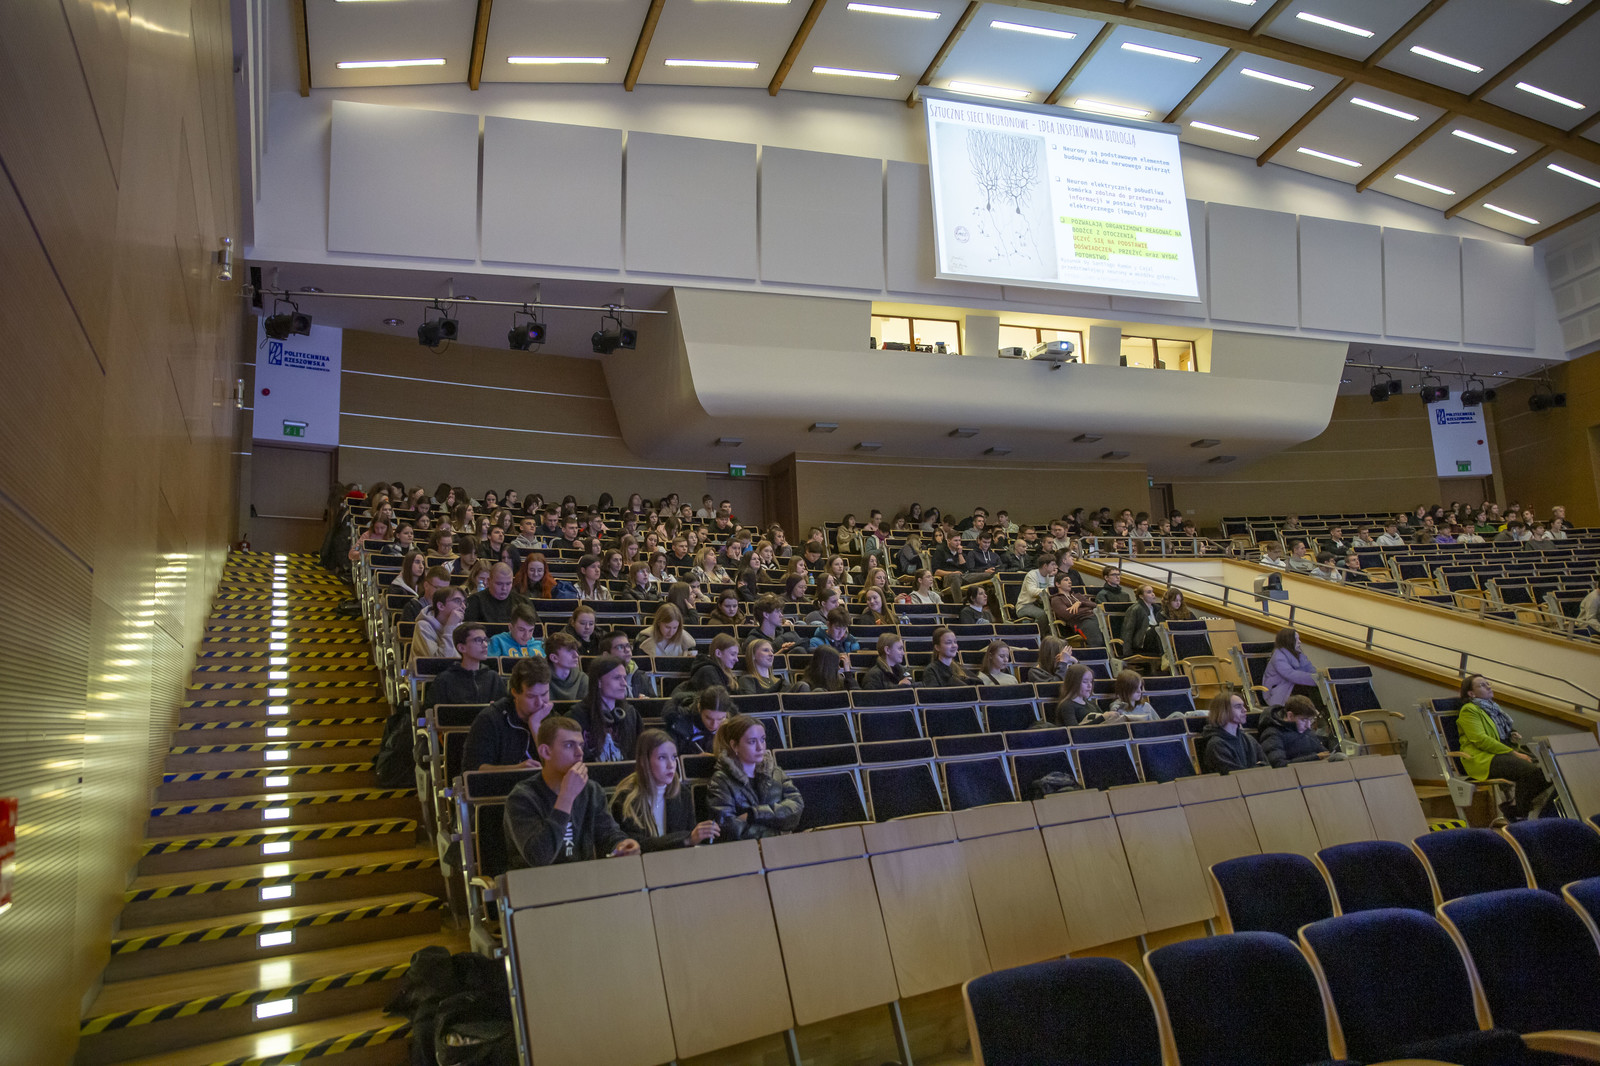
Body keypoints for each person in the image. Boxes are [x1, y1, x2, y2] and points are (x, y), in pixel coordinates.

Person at [503, 716, 640, 868]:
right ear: (546, 752)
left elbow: (608, 834)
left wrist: (622, 844)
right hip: (534, 880)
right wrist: (566, 797)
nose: (579, 753)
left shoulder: (592, 790)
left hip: (582, 877)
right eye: (569, 745)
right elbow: (538, 857)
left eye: (581, 745)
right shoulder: (522, 797)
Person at [1458, 674, 1554, 822]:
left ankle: (1517, 807)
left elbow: (1499, 730)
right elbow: (1481, 740)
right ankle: (1519, 811)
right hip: (1484, 757)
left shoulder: (1493, 707)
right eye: (1482, 685)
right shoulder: (1468, 710)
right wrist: (1513, 753)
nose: (1488, 686)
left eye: (1488, 683)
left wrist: (1511, 734)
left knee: (1550, 767)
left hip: (1502, 750)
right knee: (1530, 771)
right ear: (1471, 693)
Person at [610, 730, 721, 851]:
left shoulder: (682, 794)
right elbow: (637, 845)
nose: (671, 765)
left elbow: (690, 841)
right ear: (643, 761)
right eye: (662, 757)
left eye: (673, 757)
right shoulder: (626, 798)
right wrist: (685, 839)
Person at [706, 716, 804, 840]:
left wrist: (754, 814)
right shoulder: (721, 780)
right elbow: (728, 828)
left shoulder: (776, 772)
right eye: (752, 741)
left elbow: (796, 808)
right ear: (734, 745)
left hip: (781, 845)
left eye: (762, 739)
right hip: (746, 850)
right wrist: (776, 829)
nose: (760, 747)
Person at [463, 657, 553, 771]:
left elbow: (559, 768)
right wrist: (515, 769)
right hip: (502, 783)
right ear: (514, 692)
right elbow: (472, 769)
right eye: (531, 696)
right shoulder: (489, 719)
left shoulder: (551, 717)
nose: (539, 703)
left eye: (544, 694)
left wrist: (535, 725)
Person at [425, 622, 509, 709]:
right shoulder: (444, 680)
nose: (485, 645)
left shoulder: (494, 678)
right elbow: (429, 712)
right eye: (478, 640)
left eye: (485, 640)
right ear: (461, 648)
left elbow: (506, 710)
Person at [574, 655, 640, 762]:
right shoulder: (578, 716)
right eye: (617, 678)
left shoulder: (630, 714)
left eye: (624, 678)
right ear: (599, 682)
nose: (624, 683)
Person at [1262, 628, 1328, 716]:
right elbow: (1290, 675)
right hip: (1277, 691)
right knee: (1310, 687)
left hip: (1291, 688)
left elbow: (1309, 668)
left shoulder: (1298, 653)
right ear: (1289, 641)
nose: (1300, 642)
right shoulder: (1278, 656)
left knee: (1318, 686)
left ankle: (1321, 711)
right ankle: (1319, 713)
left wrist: (1319, 678)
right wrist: (1315, 679)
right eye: (1297, 639)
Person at [1258, 694, 1334, 769]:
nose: (1308, 725)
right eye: (1303, 720)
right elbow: (1278, 765)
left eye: (1310, 720)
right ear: (1290, 716)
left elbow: (1323, 753)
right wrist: (1316, 757)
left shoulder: (1306, 731)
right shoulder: (1272, 734)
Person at [1199, 691, 1266, 775]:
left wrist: (1255, 768)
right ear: (1223, 711)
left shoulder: (1249, 739)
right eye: (1238, 707)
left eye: (1243, 706)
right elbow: (1236, 775)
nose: (1244, 710)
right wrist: (1257, 766)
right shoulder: (1216, 745)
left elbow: (1267, 767)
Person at [666, 684, 729, 754]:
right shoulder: (679, 724)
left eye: (720, 719)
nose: (714, 725)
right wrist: (695, 759)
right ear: (699, 707)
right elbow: (672, 755)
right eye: (708, 718)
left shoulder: (731, 726)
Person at [412, 584, 467, 662]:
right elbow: (440, 662)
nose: (463, 606)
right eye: (457, 601)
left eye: (464, 602)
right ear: (441, 606)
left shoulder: (461, 626)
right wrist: (450, 626)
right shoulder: (423, 626)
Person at [597, 628, 654, 698]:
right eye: (620, 647)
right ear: (606, 655)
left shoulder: (641, 676)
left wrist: (646, 702)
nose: (627, 650)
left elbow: (654, 702)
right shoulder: (599, 679)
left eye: (628, 646)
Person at [1014, 553, 1058, 633]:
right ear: (1045, 566)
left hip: (1041, 605)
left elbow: (1051, 592)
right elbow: (1032, 592)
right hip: (1025, 606)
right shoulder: (1032, 575)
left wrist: (1051, 577)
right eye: (1053, 564)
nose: (1055, 567)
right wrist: (1047, 591)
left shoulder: (1049, 575)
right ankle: (1038, 635)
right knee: (1043, 615)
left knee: (1056, 612)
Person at [1119, 584, 1164, 659]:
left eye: (1152, 591)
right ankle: (1165, 654)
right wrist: (1127, 652)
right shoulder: (1135, 609)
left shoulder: (1158, 608)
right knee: (1157, 629)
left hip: (1155, 638)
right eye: (1149, 592)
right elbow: (1128, 630)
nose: (1153, 594)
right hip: (1142, 641)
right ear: (1141, 596)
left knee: (1164, 628)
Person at [544, 632, 589, 703]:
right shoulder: (541, 680)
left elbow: (585, 708)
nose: (576, 655)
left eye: (576, 650)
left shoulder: (583, 679)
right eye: (569, 651)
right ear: (554, 658)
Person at [1054, 663, 1096, 728]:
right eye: (1085, 682)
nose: (1089, 685)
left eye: (1091, 681)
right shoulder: (1067, 705)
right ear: (1074, 683)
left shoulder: (1091, 703)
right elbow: (1074, 730)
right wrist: (1102, 718)